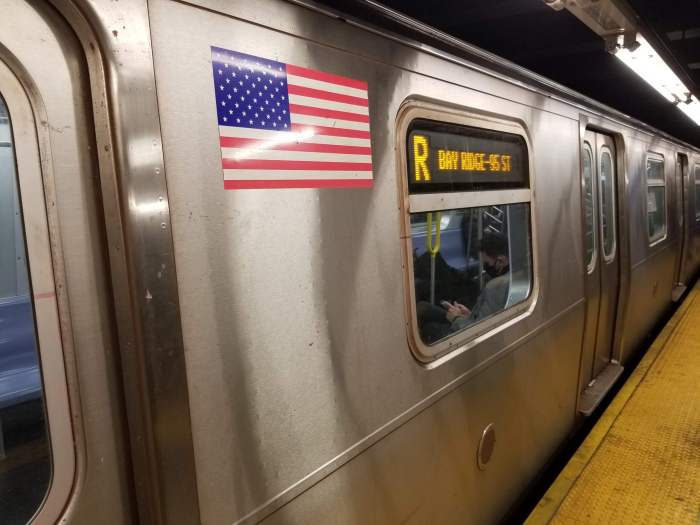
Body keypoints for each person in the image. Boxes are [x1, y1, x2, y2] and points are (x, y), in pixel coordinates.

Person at [444, 232, 510, 331]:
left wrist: (455, 318)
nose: (485, 267)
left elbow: (479, 330)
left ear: (501, 261)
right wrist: (471, 315)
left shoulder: (496, 286)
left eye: (487, 263)